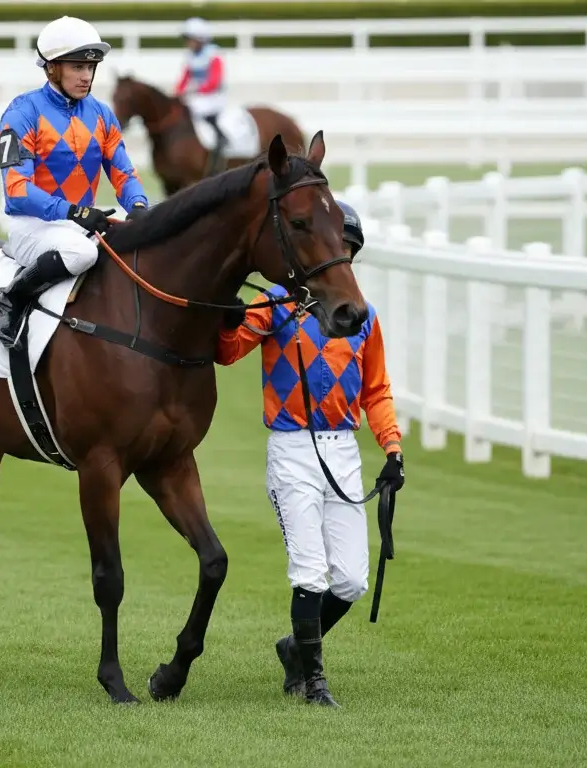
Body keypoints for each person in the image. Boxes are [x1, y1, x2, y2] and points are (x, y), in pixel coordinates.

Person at [216, 200, 406, 708]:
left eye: (346, 248)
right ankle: (313, 681)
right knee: (309, 571)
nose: (338, 255)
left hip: (343, 451)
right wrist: (231, 318)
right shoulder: (275, 303)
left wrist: (392, 450)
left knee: (351, 580)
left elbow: (376, 391)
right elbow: (227, 351)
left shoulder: (362, 317)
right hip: (292, 450)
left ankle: (293, 647)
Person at [0, 15, 151, 349]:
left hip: (78, 224)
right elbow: (17, 191)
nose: (86, 76)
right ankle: (7, 303)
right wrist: (75, 212)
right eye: (77, 67)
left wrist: (139, 206)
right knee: (82, 252)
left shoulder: (102, 114)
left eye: (90, 67)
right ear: (51, 69)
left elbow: (124, 174)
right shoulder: (22, 112)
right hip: (32, 225)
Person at [174, 17, 228, 172]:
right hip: (197, 96)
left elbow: (214, 82)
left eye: (189, 39)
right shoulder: (190, 56)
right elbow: (184, 78)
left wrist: (195, 91)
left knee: (196, 108)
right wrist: (177, 94)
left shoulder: (214, 54)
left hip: (213, 97)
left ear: (200, 38)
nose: (187, 43)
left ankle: (220, 140)